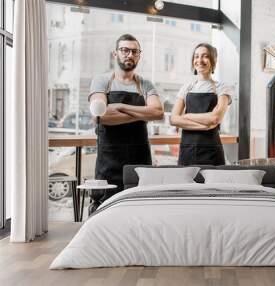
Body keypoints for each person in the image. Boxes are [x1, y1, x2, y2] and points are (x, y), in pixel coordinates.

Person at [89, 34, 164, 201]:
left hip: (140, 159)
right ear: (115, 54)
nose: (130, 54)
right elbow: (98, 116)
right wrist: (143, 114)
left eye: (134, 51)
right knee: (105, 206)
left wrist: (121, 107)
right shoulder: (101, 81)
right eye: (125, 50)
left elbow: (158, 112)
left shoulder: (145, 84)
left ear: (139, 55)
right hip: (109, 159)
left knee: (140, 206)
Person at [170, 43, 233, 166]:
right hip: (187, 150)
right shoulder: (187, 87)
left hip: (211, 151)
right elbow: (173, 119)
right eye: (196, 56)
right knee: (186, 185)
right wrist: (205, 125)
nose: (199, 60)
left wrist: (185, 116)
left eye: (205, 56)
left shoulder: (222, 88)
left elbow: (216, 118)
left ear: (212, 61)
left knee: (212, 185)